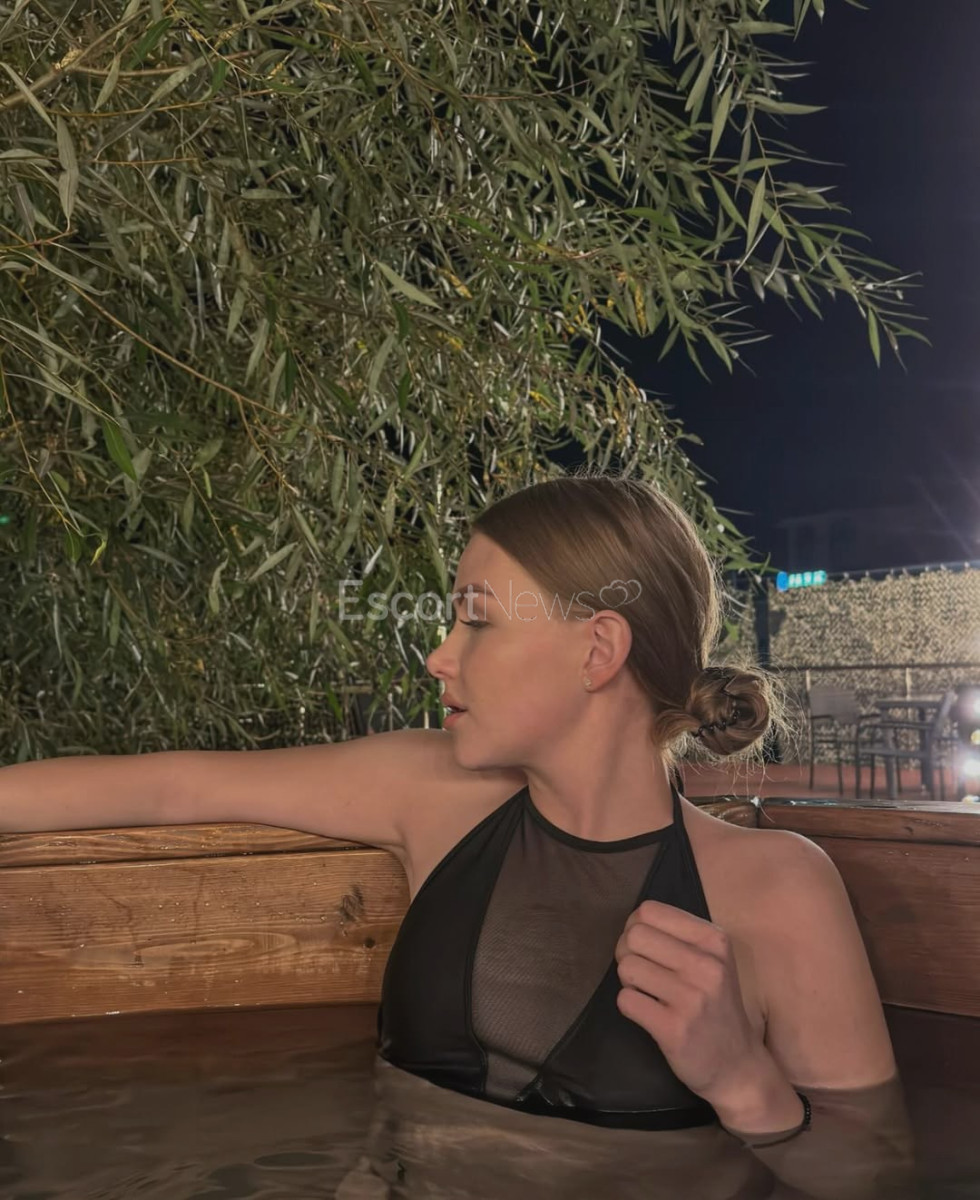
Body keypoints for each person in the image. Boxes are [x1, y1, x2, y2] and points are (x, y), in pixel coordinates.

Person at [0, 473, 916, 1196]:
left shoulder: (774, 888)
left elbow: (875, 1177)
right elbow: (175, 784)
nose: (440, 654)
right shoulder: (434, 792)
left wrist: (744, 1083)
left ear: (598, 651)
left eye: (476, 619)